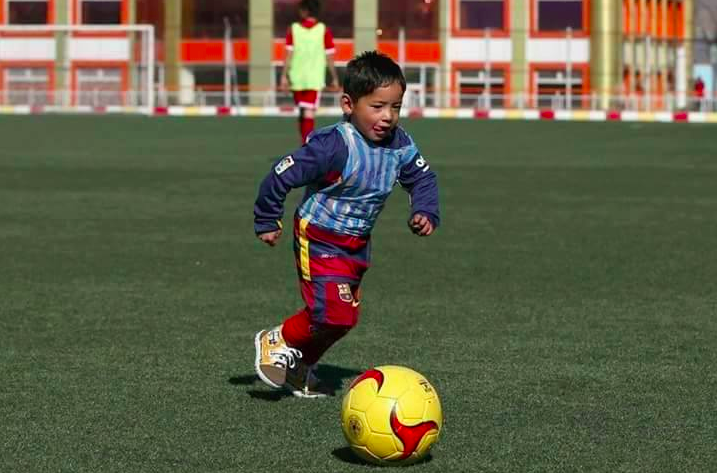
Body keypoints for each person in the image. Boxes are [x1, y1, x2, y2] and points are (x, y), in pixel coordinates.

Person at [253, 51, 440, 398]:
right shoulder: (334, 146)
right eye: (377, 106)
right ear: (348, 104)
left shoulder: (401, 145)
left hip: (356, 244)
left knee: (345, 319)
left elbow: (423, 179)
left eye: (395, 107)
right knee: (330, 312)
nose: (387, 117)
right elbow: (281, 173)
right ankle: (277, 339)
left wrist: (426, 211)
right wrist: (267, 218)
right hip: (319, 237)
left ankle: (300, 367)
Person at [280, 0, 339, 144]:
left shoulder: (293, 29)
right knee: (307, 112)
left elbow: (288, 55)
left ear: (305, 11)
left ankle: (305, 145)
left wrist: (284, 76)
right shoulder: (323, 30)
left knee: (304, 111)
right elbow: (329, 56)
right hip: (314, 78)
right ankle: (307, 146)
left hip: (297, 78)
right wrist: (334, 77)